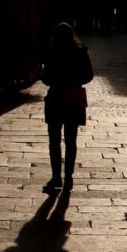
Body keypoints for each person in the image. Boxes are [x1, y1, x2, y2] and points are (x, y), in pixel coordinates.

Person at [41, 21, 94, 194]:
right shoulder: (80, 53)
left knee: (54, 141)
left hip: (56, 98)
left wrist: (58, 78)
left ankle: (56, 176)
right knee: (71, 141)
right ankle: (68, 177)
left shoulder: (52, 53)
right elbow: (89, 75)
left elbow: (45, 78)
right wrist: (75, 79)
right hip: (73, 100)